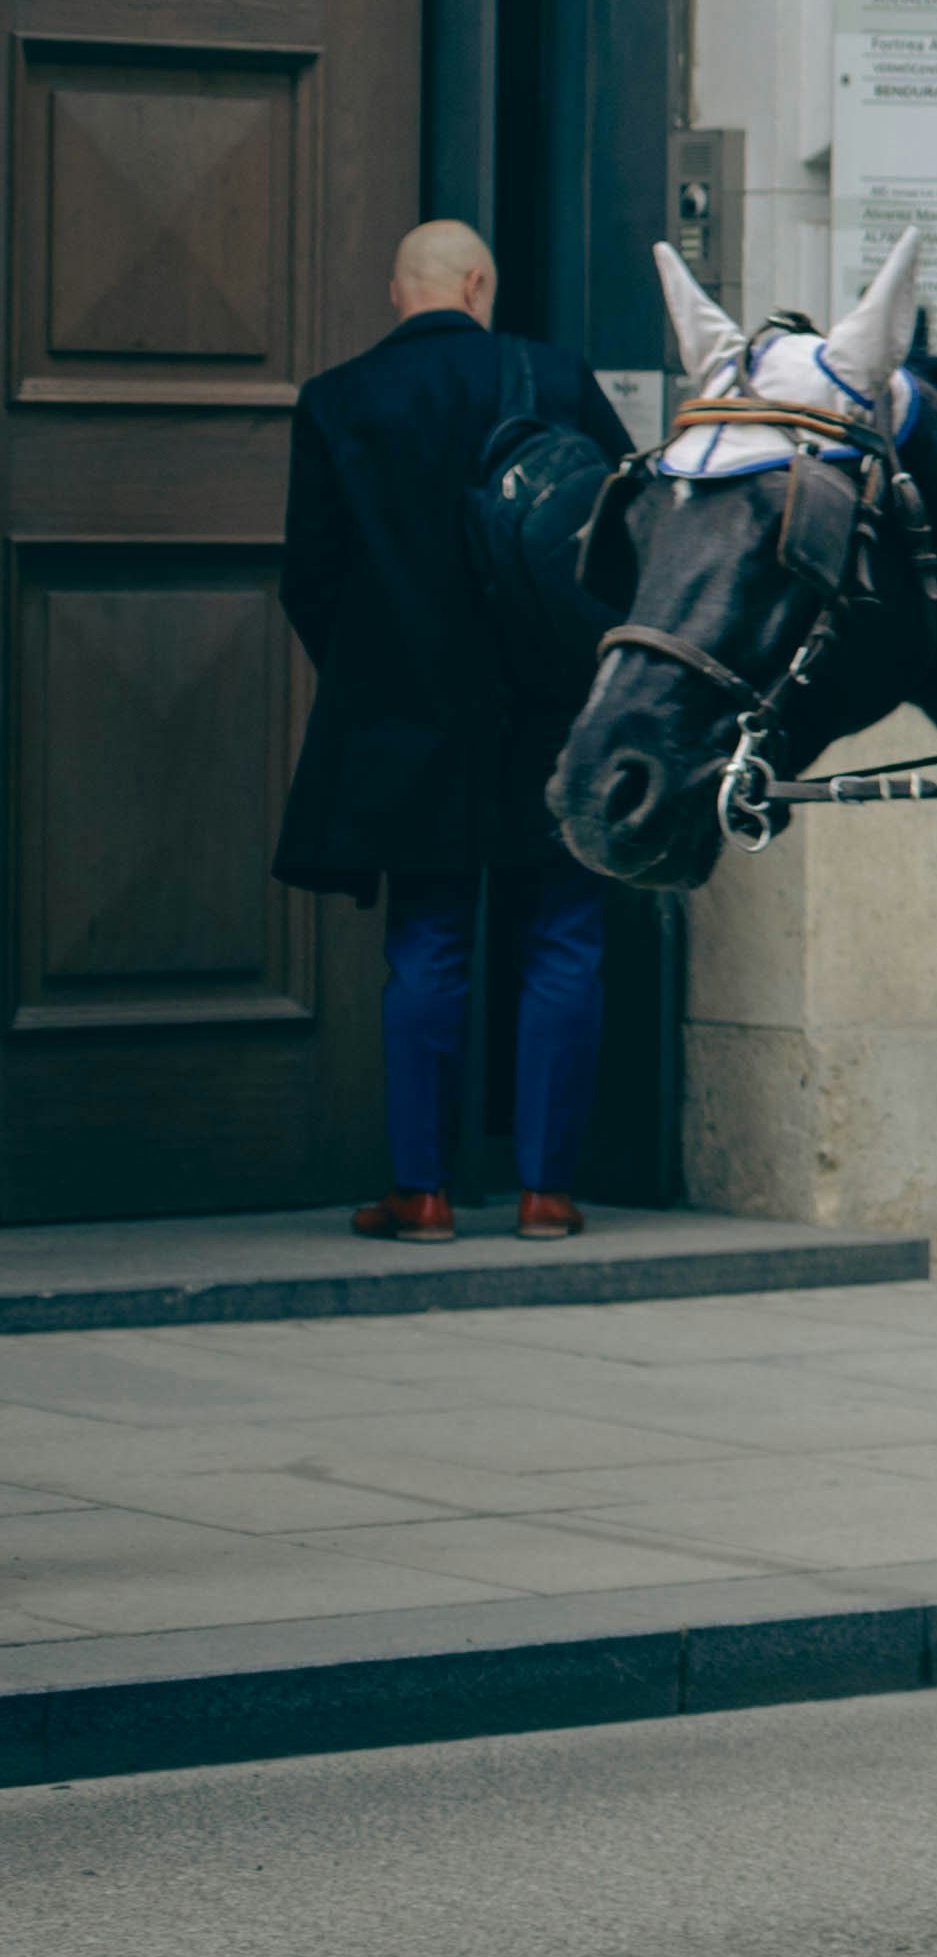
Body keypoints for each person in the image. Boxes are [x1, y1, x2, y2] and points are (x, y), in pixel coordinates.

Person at [277, 222, 632, 1241]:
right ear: (479, 283)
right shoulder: (556, 378)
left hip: (409, 716)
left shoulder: (337, 400)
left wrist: (376, 679)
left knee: (427, 944)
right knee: (564, 937)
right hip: (554, 710)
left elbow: (313, 577)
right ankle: (545, 1191)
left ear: (403, 291)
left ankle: (422, 1192)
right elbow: (626, 535)